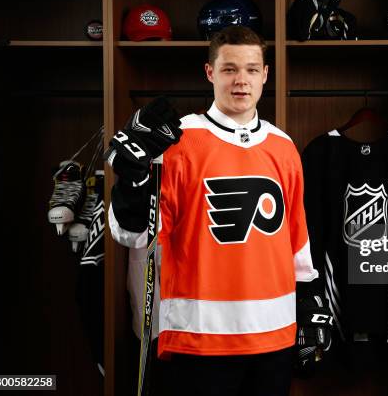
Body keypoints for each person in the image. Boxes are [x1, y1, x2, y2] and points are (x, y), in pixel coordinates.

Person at [106, 26, 332, 396]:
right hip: (201, 337)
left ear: (265, 75)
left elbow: (297, 237)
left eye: (251, 69)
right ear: (210, 72)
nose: (241, 80)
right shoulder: (178, 141)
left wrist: (308, 300)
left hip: (274, 335)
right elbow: (133, 234)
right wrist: (131, 182)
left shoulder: (284, 145)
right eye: (229, 69)